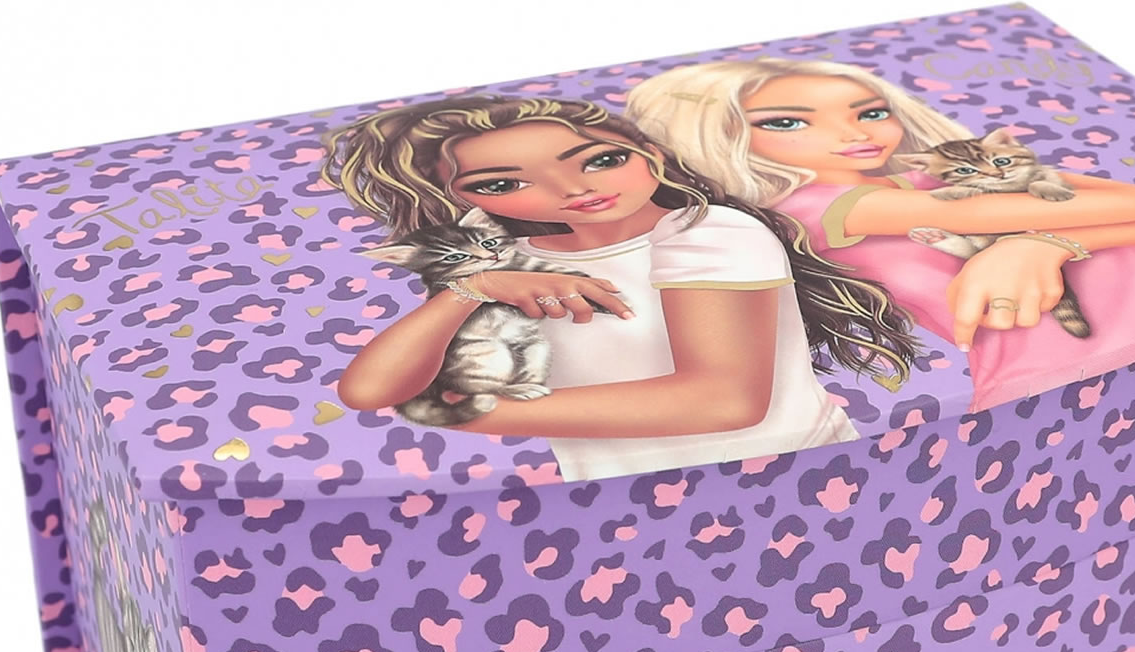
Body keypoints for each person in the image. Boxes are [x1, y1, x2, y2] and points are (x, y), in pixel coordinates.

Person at [320, 95, 922, 481]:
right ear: (461, 199)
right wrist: (470, 288)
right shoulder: (509, 259)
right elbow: (371, 391)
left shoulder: (708, 230)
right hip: (620, 500)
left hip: (787, 480)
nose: (573, 189)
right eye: (503, 184)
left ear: (650, 154)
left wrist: (470, 413)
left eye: (600, 160)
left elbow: (724, 401)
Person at [625, 60, 1135, 411]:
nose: (854, 133)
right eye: (787, 123)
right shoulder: (820, 207)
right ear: (720, 134)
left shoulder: (937, 172)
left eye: (870, 111)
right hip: (1058, 375)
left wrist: (1038, 245)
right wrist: (1051, 231)